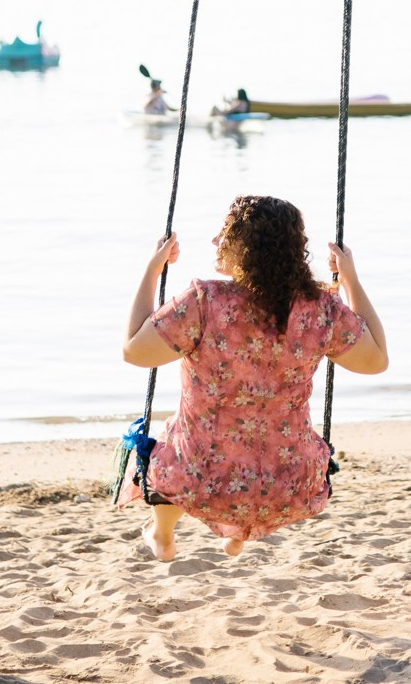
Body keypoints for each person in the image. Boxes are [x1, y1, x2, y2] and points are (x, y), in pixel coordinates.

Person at [119, 195, 388, 560]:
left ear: (247, 247)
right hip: (290, 482)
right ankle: (238, 534)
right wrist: (352, 282)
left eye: (225, 234)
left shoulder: (204, 302)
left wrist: (152, 270)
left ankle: (162, 534)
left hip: (204, 479)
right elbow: (376, 360)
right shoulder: (319, 308)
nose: (216, 241)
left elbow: (134, 350)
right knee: (249, 449)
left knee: (168, 444)